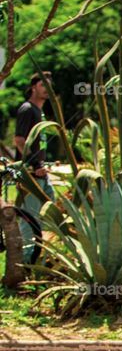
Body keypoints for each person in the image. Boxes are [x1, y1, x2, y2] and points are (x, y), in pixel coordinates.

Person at [13, 71, 55, 264]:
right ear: (33, 87)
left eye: (49, 85)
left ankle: (40, 257)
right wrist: (35, 164)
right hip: (31, 175)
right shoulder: (27, 109)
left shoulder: (40, 112)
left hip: (42, 174)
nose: (47, 88)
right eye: (42, 84)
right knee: (29, 220)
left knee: (48, 217)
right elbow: (19, 140)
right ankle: (25, 264)